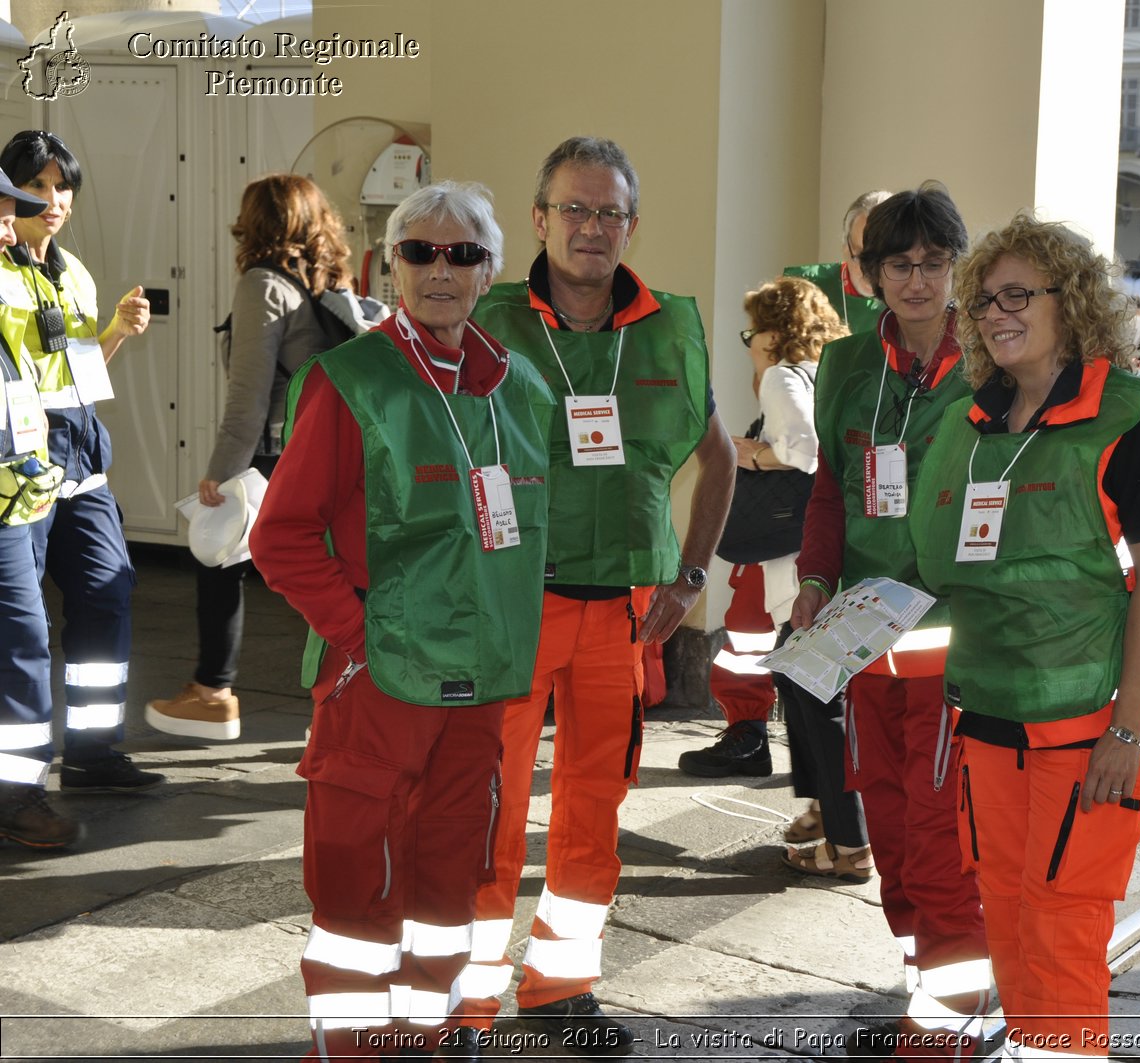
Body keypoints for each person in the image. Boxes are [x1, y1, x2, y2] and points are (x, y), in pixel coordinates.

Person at [249, 180, 552, 1062]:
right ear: (392, 265)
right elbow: (283, 539)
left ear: (490, 269)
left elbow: (532, 540)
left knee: (449, 882)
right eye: (420, 251)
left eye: (462, 253)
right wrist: (361, 640)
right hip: (378, 688)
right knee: (358, 891)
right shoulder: (353, 380)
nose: (441, 269)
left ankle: (426, 1037)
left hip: (478, 693)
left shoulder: (520, 387)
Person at [463, 136, 735, 1056]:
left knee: (594, 807)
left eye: (609, 212)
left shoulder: (672, 326)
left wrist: (693, 574)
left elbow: (720, 458)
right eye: (573, 209)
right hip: (509, 609)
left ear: (631, 225)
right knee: (488, 805)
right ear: (538, 220)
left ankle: (560, 987)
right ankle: (463, 1003)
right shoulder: (485, 318)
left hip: (623, 614)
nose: (591, 227)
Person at [910, 213, 1140, 1060]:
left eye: (1018, 295)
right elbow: (942, 563)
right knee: (1009, 911)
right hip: (993, 705)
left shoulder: (1134, 414)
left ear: (1068, 303)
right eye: (985, 299)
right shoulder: (972, 424)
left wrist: (1125, 725)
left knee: (1064, 921)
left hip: (1093, 715)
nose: (998, 313)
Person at [791, 182, 993, 1060]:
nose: (916, 282)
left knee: (944, 842)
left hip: (958, 647)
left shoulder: (992, 361)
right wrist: (812, 577)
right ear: (869, 274)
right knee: (893, 838)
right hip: (865, 642)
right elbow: (831, 490)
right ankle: (930, 1000)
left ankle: (952, 1024)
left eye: (933, 263)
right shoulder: (844, 368)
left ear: (957, 267)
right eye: (898, 265)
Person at [147, 174, 385, 741]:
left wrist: (221, 472)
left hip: (279, 454)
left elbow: (249, 396)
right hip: (340, 451)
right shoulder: (330, 282)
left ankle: (213, 696)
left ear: (254, 222)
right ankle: (353, 696)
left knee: (217, 557)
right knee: (334, 574)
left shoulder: (263, 284)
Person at [0, 130, 158, 793]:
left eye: (62, 186)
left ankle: (93, 754)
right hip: (23, 475)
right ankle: (18, 784)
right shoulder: (2, 267)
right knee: (23, 627)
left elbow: (80, 378)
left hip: (81, 467)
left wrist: (116, 331)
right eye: (37, 186)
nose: (53, 199)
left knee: (106, 593)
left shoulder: (76, 272)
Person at [679, 280, 845, 776]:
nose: (749, 343)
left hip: (780, 543)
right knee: (769, 639)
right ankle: (768, 744)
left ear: (774, 334)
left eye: (751, 331)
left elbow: (803, 451)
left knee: (759, 637)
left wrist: (752, 456)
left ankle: (753, 737)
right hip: (809, 537)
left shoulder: (781, 377)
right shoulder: (828, 373)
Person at [0, 169, 84, 848]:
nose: (9, 231)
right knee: (24, 645)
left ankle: (20, 794)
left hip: (11, 510)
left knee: (25, 644)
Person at [783, 189, 890, 335]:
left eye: (883, 257)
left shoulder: (913, 298)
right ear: (845, 247)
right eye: (862, 256)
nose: (871, 270)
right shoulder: (804, 288)